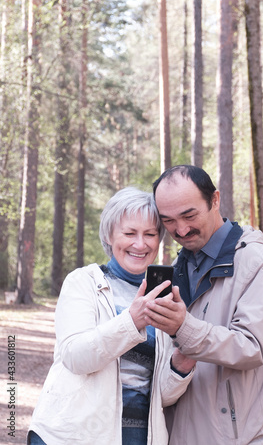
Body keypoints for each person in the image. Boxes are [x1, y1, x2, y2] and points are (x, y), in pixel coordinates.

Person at [28, 187, 195, 445]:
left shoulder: (163, 296)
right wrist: (132, 321)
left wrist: (181, 366)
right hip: (74, 435)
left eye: (150, 234)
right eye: (129, 233)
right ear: (109, 234)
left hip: (137, 436)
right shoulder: (84, 282)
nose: (140, 244)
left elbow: (159, 396)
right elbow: (75, 357)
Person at [144, 165, 263, 444]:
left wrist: (183, 327)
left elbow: (251, 347)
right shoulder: (175, 269)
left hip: (242, 437)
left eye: (189, 215)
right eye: (168, 221)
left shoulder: (257, 261)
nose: (181, 229)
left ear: (215, 200)